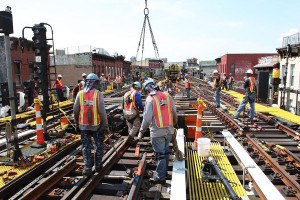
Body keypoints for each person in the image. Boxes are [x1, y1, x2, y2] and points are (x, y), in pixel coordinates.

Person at [137, 80, 177, 183]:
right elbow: (174, 112)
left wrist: (141, 131)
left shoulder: (150, 99)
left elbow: (147, 119)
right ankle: (164, 172)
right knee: (166, 152)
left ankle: (160, 177)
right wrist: (174, 124)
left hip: (157, 131)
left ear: (147, 89)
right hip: (169, 130)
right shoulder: (168, 96)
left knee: (161, 154)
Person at [73, 73, 109, 177]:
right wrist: (105, 125)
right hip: (96, 126)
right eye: (97, 82)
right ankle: (98, 166)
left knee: (86, 147)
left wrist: (76, 123)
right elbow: (102, 112)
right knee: (98, 146)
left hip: (83, 126)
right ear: (95, 83)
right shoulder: (98, 94)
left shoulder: (80, 94)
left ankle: (87, 168)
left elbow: (75, 110)